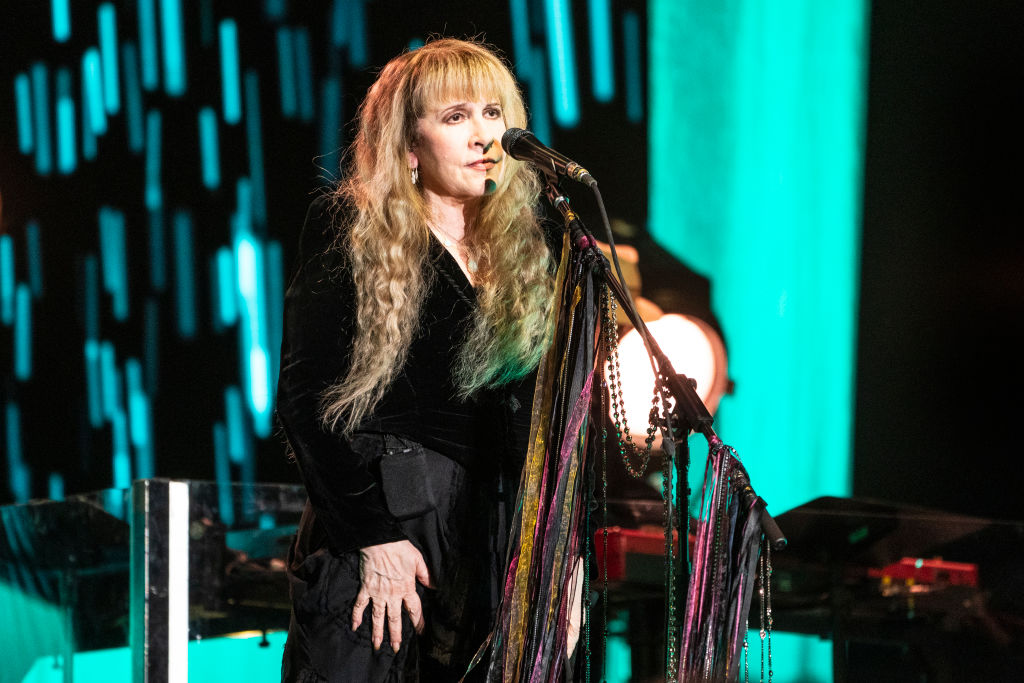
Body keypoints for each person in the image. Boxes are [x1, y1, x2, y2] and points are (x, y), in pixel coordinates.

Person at [276, 38, 558, 682]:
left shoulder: (528, 255)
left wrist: (557, 559)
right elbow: (304, 400)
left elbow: (547, 429)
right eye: (456, 116)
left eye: (494, 112)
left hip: (490, 538)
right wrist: (373, 537)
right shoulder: (352, 228)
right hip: (385, 513)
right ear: (408, 146)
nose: (484, 135)